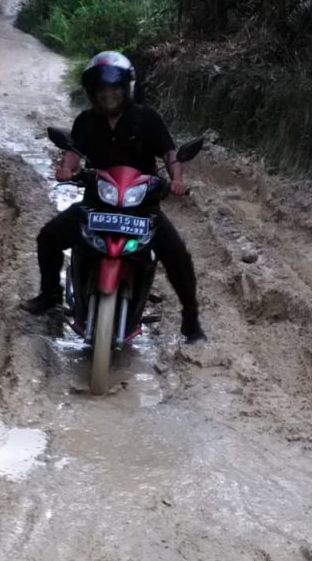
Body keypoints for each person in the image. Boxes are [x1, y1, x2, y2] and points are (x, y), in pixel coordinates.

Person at [22, 51, 206, 343]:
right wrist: (66, 169)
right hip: (98, 203)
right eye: (102, 89)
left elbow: (170, 152)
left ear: (126, 88)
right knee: (49, 237)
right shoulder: (85, 121)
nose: (108, 95)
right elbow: (73, 151)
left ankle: (192, 321)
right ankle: (50, 295)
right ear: (93, 92)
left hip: (142, 205)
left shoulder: (147, 118)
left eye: (114, 88)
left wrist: (177, 179)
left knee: (177, 255)